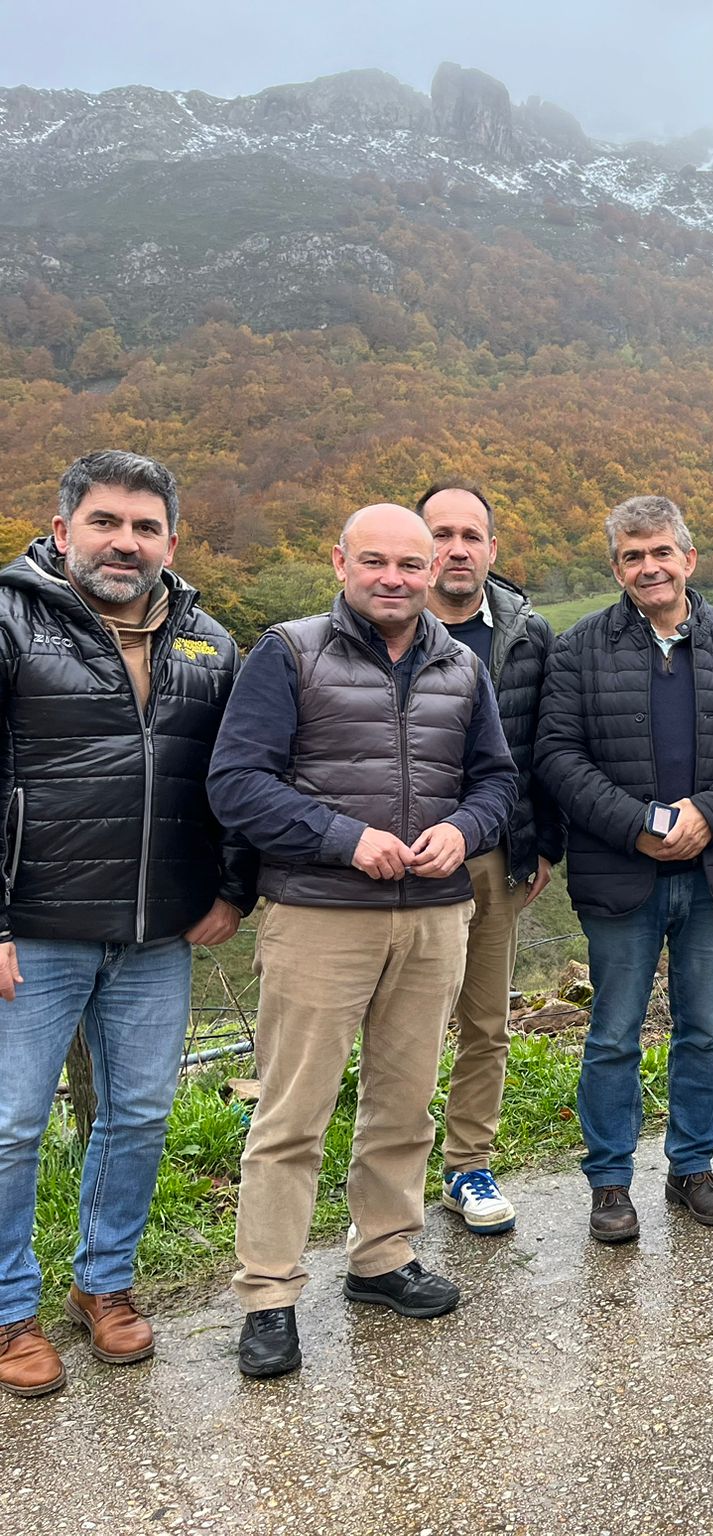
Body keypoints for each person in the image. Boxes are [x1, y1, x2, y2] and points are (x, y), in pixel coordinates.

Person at [209, 504, 516, 1379]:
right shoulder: (290, 652)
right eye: (375, 561)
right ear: (339, 561)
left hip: (433, 914)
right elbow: (236, 783)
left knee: (403, 1101)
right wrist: (343, 837)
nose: (395, 577)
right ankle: (269, 1294)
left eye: (410, 564)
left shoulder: (461, 666)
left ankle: (382, 1257)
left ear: (434, 573)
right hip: (319, 915)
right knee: (291, 1113)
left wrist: (466, 828)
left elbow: (497, 778)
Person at [0, 451, 252, 1401]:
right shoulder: (8, 621)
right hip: (37, 927)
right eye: (106, 522)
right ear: (63, 531)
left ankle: (102, 1286)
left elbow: (233, 784)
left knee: (139, 1116)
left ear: (172, 543)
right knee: (10, 1127)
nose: (126, 542)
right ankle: (7, 1309)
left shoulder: (209, 644)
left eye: (145, 528)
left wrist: (230, 889)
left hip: (158, 933)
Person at [535, 496, 713, 1242]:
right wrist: (638, 825)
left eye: (660, 552)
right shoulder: (579, 647)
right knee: (614, 1031)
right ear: (616, 567)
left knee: (704, 1028)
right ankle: (610, 1182)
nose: (648, 566)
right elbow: (557, 754)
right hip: (623, 871)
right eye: (631, 555)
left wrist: (709, 813)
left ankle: (692, 1167)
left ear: (688, 558)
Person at [416, 481, 563, 1237]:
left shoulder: (524, 634)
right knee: (400, 1030)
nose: (458, 548)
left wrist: (543, 844)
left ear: (493, 549)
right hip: (407, 863)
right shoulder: (381, 622)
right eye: (442, 533)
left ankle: (467, 1165)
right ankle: (390, 1181)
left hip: (496, 853)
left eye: (472, 535)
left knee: (485, 1024)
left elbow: (542, 748)